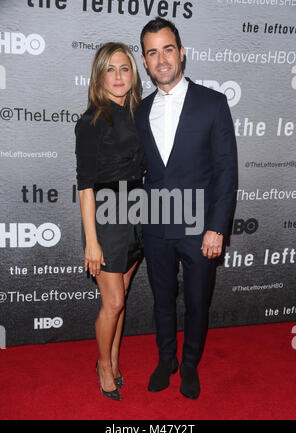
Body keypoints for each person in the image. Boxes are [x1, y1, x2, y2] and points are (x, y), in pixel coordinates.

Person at [135, 17, 237, 399]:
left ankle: (190, 363)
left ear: (182, 53)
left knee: (197, 301)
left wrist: (217, 227)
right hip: (157, 225)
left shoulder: (212, 103)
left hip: (199, 228)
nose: (161, 59)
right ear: (145, 62)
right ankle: (167, 359)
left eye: (168, 49)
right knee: (162, 299)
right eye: (152, 52)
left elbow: (227, 170)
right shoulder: (141, 111)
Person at [75, 42, 144, 401]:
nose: (118, 76)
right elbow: (85, 186)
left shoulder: (139, 113)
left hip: (137, 211)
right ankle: (103, 364)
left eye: (125, 69)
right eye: (110, 69)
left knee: (123, 296)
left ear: (133, 76)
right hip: (105, 215)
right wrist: (92, 241)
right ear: (99, 76)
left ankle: (115, 359)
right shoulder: (91, 122)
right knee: (113, 302)